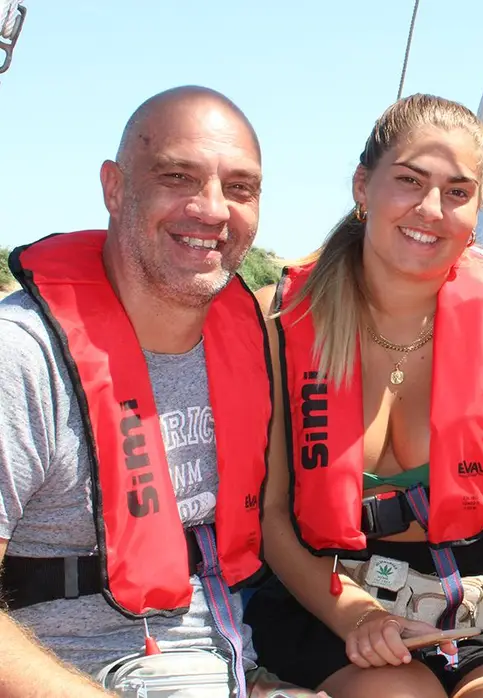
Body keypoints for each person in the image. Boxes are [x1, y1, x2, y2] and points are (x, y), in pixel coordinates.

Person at [242, 93, 483, 698]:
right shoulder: (278, 324)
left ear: (479, 209)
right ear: (362, 187)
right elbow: (269, 515)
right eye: (408, 181)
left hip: (476, 606)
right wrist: (357, 616)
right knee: (402, 694)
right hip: (328, 598)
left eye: (457, 191)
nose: (431, 209)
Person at [0, 86, 321, 696]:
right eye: (179, 176)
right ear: (115, 188)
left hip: (231, 662)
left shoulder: (251, 345)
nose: (212, 209)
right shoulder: (20, 357)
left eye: (240, 188)